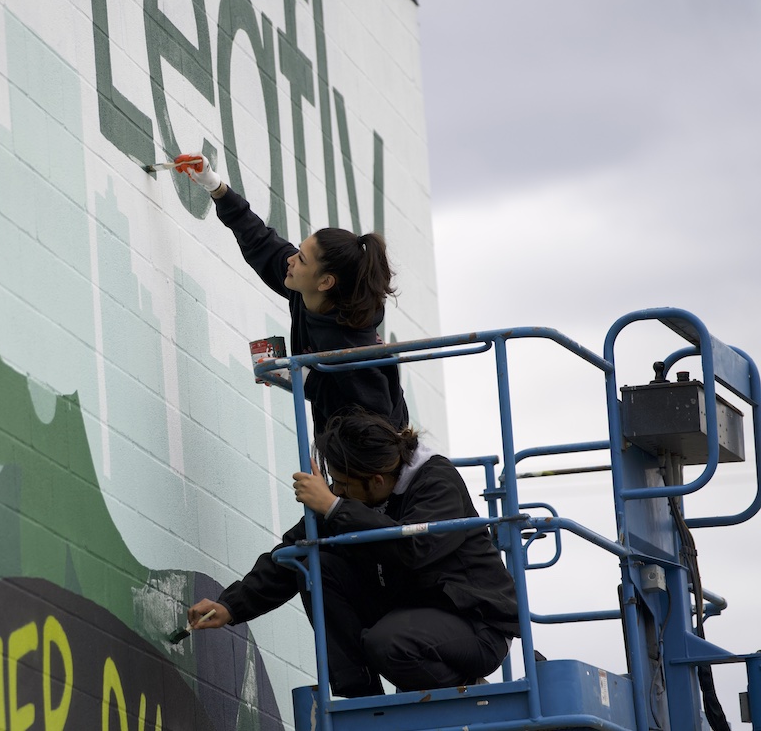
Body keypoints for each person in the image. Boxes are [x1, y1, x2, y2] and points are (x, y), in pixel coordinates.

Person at [185, 411, 519, 696]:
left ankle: (467, 687)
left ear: (375, 481)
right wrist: (231, 605)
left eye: (343, 485)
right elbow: (293, 552)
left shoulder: (436, 481)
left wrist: (333, 507)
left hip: (474, 624)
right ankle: (364, 702)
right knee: (312, 562)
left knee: (388, 643)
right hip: (411, 615)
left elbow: (415, 549)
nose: (337, 491)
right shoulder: (353, 499)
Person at [174, 155, 407, 434]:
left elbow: (377, 419)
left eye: (302, 259)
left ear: (325, 282)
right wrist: (215, 186)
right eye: (298, 250)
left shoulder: (349, 344)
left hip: (376, 460)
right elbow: (260, 241)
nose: (291, 260)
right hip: (339, 448)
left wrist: (298, 375)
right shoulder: (304, 289)